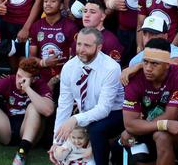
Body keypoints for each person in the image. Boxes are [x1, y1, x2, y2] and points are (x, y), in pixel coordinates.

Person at [51, 28, 124, 165]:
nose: (81, 50)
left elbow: (104, 109)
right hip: (85, 112)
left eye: (87, 45)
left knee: (96, 129)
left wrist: (75, 119)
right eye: (79, 44)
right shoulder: (69, 67)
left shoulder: (111, 68)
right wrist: (57, 141)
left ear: (99, 47)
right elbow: (64, 105)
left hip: (115, 112)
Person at [120, 38, 178, 165]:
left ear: (167, 65)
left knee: (161, 136)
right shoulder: (134, 77)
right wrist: (134, 130)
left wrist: (136, 129)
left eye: (155, 64)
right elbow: (129, 124)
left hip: (173, 128)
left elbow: (171, 117)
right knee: (129, 147)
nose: (148, 68)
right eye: (145, 62)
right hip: (145, 127)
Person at [0, 57, 54, 164]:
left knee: (33, 107)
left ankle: (21, 153)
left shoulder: (40, 85)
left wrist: (27, 89)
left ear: (33, 79)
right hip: (8, 129)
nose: (19, 80)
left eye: (24, 78)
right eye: (18, 76)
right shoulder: (9, 80)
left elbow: (48, 110)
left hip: (29, 132)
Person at [29, 0, 78, 85]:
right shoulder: (36, 26)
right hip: (40, 76)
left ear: (61, 6)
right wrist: (44, 63)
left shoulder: (71, 27)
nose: (48, 4)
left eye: (53, 1)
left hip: (65, 78)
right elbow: (31, 57)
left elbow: (75, 60)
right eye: (45, 1)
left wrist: (56, 79)